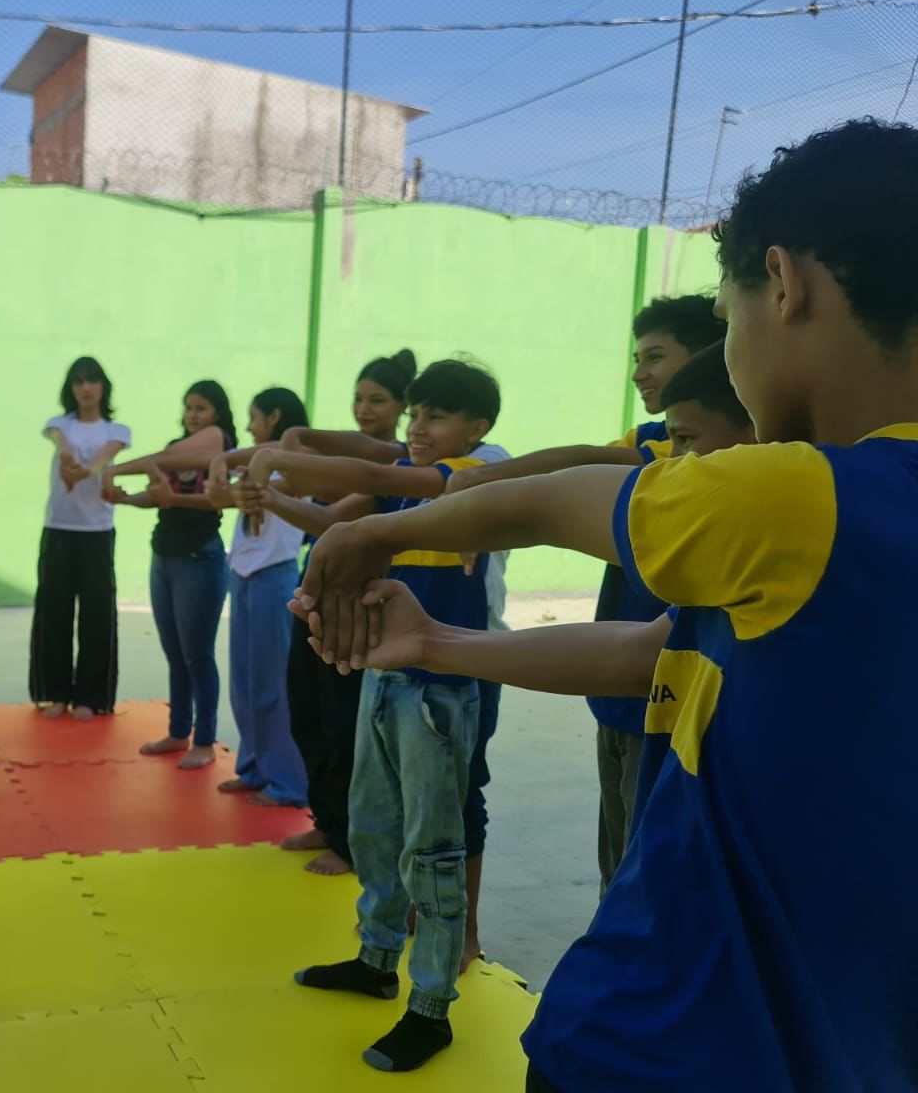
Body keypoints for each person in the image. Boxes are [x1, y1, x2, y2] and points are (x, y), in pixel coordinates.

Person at [296, 119, 918, 1090]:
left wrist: (373, 534)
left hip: (666, 1046)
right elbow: (655, 653)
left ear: (785, 284)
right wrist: (437, 641)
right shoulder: (806, 548)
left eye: (728, 318)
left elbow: (558, 498)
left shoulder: (811, 496)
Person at [447, 295, 725, 896]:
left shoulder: (688, 453)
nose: (639, 373)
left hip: (659, 696)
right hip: (617, 696)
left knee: (642, 875)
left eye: (655, 356)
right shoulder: (657, 436)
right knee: (617, 865)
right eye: (636, 358)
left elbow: (584, 461)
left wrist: (484, 481)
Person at [275, 358, 501, 1074]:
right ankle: (376, 959)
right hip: (384, 675)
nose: (418, 428)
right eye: (416, 414)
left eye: (436, 416)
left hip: (441, 690)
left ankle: (430, 1007)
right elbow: (358, 489)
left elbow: (379, 468)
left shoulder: (474, 477)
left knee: (431, 849)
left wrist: (281, 452)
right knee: (373, 827)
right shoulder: (406, 478)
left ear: (477, 428)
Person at [270, 352, 415, 874]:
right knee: (306, 716)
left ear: (401, 408)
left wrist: (265, 494)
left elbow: (327, 517)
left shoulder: (396, 470)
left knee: (341, 726)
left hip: (350, 609)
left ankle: (350, 842)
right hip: (314, 599)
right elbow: (308, 481)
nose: (364, 408)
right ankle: (327, 820)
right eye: (358, 398)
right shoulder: (355, 461)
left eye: (377, 400)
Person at [104, 380, 236, 771]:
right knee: (175, 653)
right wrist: (127, 499)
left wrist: (118, 470)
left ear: (217, 414)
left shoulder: (222, 446)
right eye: (188, 407)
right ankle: (179, 731)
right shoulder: (175, 449)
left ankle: (205, 741)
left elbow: (210, 498)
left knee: (197, 655)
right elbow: (158, 495)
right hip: (164, 554)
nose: (192, 415)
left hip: (198, 557)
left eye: (201, 408)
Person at [207, 387, 310, 806]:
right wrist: (222, 466)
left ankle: (289, 782)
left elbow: (230, 491)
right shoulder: (255, 460)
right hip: (244, 574)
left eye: (254, 417)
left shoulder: (299, 458)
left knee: (273, 686)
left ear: (274, 417)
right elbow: (219, 492)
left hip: (274, 576)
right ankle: (253, 767)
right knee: (244, 684)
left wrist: (226, 470)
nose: (249, 427)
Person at [30, 357, 130, 720]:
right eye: (79, 381)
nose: (86, 388)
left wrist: (83, 472)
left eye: (92, 381)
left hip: (97, 532)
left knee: (97, 614)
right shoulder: (59, 425)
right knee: (54, 610)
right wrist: (68, 460)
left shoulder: (117, 430)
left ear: (103, 387)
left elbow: (104, 458)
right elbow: (61, 444)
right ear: (71, 389)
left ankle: (91, 697)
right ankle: (54, 692)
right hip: (59, 527)